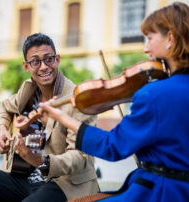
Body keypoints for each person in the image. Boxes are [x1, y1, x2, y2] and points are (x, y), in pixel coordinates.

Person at [39, 2, 189, 201]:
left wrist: (63, 117)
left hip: (161, 193)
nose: (146, 48)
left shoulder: (154, 95)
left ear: (170, 38)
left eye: (150, 38)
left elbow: (112, 147)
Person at [0, 33, 99, 202]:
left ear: (57, 59)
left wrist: (39, 161)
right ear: (26, 66)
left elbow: (79, 158)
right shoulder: (28, 90)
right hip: (24, 178)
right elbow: (4, 107)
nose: (43, 67)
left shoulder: (77, 100)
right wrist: (2, 129)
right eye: (35, 61)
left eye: (48, 59)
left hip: (64, 184)